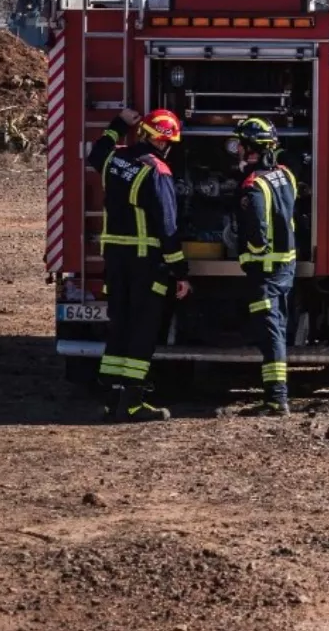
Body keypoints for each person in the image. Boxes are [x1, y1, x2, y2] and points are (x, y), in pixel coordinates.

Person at [87, 107, 188, 422]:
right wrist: (180, 272)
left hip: (115, 261)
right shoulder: (157, 171)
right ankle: (133, 405)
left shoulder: (114, 160)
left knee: (120, 326)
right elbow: (167, 227)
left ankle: (112, 401)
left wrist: (118, 125)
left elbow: (96, 152)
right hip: (146, 264)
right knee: (143, 331)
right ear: (163, 143)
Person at [233, 117, 298, 415]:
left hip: (265, 272)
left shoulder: (253, 186)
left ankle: (276, 398)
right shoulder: (285, 175)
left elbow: (258, 235)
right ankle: (276, 396)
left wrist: (250, 251)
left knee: (270, 333)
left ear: (249, 149)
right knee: (278, 328)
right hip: (286, 268)